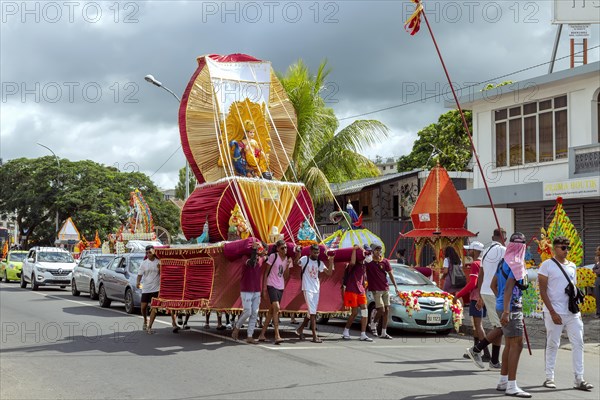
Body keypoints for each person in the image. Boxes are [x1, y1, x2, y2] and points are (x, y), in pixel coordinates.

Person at [538, 236, 594, 391]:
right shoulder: (546, 265)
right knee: (553, 343)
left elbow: (572, 288)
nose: (566, 251)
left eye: (568, 248)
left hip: (572, 312)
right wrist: (552, 311)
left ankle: (579, 379)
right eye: (563, 248)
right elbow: (542, 291)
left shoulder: (572, 266)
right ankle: (549, 377)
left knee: (578, 343)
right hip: (554, 312)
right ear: (554, 248)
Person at [485, 232, 530, 397]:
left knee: (509, 345)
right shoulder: (516, 263)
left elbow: (493, 285)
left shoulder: (503, 261)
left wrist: (501, 303)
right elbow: (510, 287)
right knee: (517, 345)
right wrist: (506, 310)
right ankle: (512, 385)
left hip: (503, 306)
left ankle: (503, 381)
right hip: (511, 308)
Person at [468, 228, 506, 370]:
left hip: (486, 291)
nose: (505, 240)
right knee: (502, 327)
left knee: (498, 326)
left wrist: (480, 295)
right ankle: (476, 349)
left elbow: (481, 274)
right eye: (504, 237)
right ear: (502, 238)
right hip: (494, 292)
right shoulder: (503, 250)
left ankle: (494, 360)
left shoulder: (486, 250)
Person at [456, 242, 493, 365]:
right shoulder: (485, 263)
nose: (468, 251)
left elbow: (473, 283)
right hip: (485, 296)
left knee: (478, 325)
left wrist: (458, 295)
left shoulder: (475, 264)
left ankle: (486, 353)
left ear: (475, 251)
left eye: (470, 249)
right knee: (476, 325)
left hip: (476, 297)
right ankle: (475, 350)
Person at [257, 240, 298, 344]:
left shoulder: (288, 259)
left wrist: (288, 265)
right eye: (282, 248)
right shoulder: (273, 256)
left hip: (280, 286)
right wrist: (264, 289)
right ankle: (277, 335)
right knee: (277, 308)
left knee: (272, 311)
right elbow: (266, 272)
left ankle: (262, 334)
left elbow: (286, 276)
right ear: (277, 249)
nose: (285, 250)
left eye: (285, 248)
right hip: (271, 284)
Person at [295, 244, 334, 343]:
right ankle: (314, 335)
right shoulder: (305, 259)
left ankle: (300, 330)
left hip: (316, 289)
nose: (316, 254)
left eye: (317, 253)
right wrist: (298, 253)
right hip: (307, 288)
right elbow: (296, 263)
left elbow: (329, 273)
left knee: (311, 312)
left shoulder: (319, 262)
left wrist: (331, 261)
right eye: (314, 252)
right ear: (310, 252)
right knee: (313, 313)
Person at [232, 240, 267, 344]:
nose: (263, 252)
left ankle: (250, 336)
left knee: (255, 313)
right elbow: (251, 264)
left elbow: (269, 253)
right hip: (246, 289)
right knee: (248, 312)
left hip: (257, 290)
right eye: (262, 249)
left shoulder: (261, 259)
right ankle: (237, 327)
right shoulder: (245, 258)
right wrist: (254, 250)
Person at [366, 243, 400, 339]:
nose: (378, 252)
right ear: (372, 252)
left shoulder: (385, 261)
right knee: (381, 309)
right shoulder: (369, 262)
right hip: (376, 289)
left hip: (385, 288)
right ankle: (373, 323)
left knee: (387, 310)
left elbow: (391, 274)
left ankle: (384, 332)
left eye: (380, 250)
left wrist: (396, 286)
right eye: (376, 250)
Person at [341, 245, 373, 342]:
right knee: (354, 313)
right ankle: (346, 331)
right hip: (352, 289)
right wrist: (355, 250)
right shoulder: (352, 266)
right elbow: (353, 262)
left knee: (365, 311)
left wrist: (364, 288)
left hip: (361, 290)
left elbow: (363, 279)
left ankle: (363, 334)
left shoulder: (364, 265)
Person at [137, 245, 160, 334]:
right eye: (147, 253)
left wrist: (160, 268)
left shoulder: (158, 262)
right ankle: (145, 320)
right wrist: (138, 282)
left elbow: (162, 274)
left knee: (154, 308)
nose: (148, 254)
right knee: (143, 307)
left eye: (150, 252)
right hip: (146, 288)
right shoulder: (144, 263)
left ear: (153, 252)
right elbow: (139, 274)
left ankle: (150, 326)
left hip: (156, 288)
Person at [593, 246, 600, 318]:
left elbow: (598, 271)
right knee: (597, 296)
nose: (596, 252)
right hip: (598, 280)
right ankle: (598, 312)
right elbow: (594, 269)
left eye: (597, 250)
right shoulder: (597, 260)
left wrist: (596, 270)